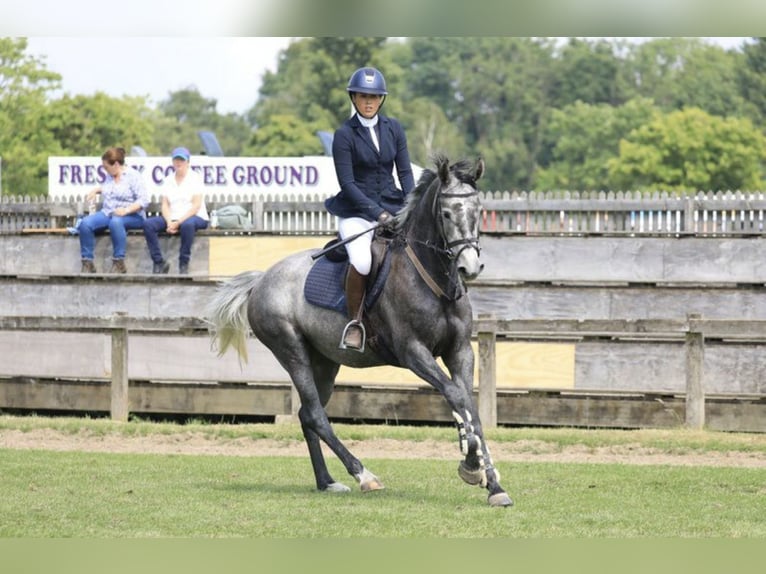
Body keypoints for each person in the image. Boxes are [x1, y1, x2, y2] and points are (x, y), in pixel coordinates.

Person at [324, 66, 416, 352]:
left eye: (374, 97)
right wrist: (378, 214)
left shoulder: (394, 129)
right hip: (356, 211)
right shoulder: (344, 135)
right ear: (354, 98)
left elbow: (405, 173)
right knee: (363, 261)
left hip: (392, 204)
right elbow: (348, 184)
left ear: (381, 100)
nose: (368, 102)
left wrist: (412, 205)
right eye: (363, 96)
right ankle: (356, 322)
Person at [79, 147, 149, 273]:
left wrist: (126, 210)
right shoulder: (110, 176)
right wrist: (96, 190)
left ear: (116, 164)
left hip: (133, 216)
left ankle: (118, 262)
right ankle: (87, 262)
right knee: (85, 224)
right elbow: (109, 189)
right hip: (109, 212)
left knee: (116, 222)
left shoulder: (133, 176)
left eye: (106, 167)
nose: (105, 170)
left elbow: (143, 200)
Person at [143, 147, 209, 274]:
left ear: (188, 162)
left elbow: (195, 206)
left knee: (187, 225)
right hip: (173, 216)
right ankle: (159, 262)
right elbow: (165, 205)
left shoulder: (195, 178)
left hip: (195, 216)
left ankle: (183, 262)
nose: (179, 163)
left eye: (182, 160)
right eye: (176, 160)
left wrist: (177, 222)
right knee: (148, 224)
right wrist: (169, 222)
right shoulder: (168, 180)